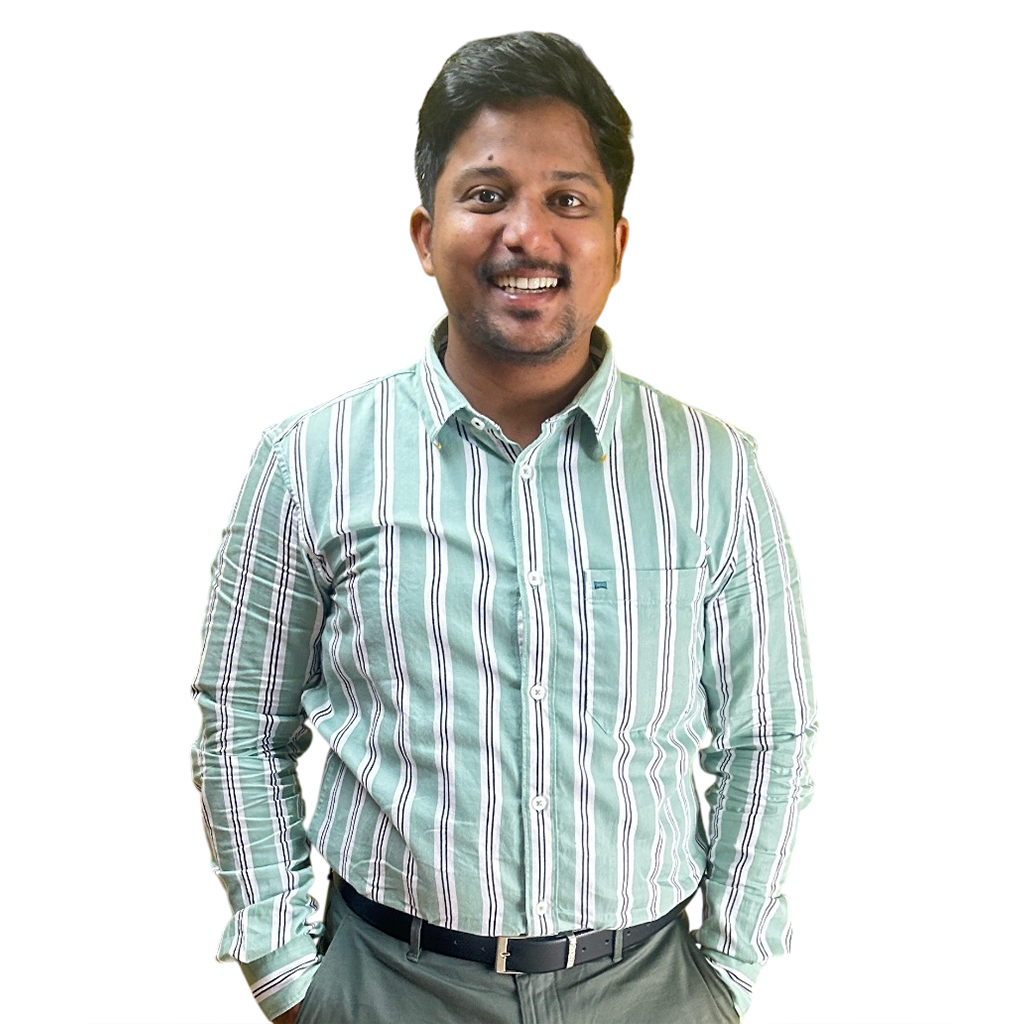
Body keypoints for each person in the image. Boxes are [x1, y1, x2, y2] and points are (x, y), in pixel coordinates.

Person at [192, 31, 816, 1024]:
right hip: (388, 985)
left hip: (647, 988)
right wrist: (288, 976)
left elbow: (769, 737)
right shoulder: (308, 462)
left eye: (567, 200)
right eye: (486, 195)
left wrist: (725, 975)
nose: (525, 233)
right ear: (423, 233)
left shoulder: (714, 471)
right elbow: (240, 725)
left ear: (617, 242)